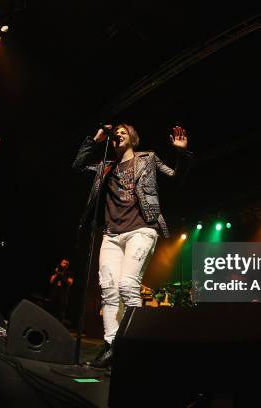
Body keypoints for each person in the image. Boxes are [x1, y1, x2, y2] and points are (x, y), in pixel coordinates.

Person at [73, 123, 191, 369]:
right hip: (111, 234)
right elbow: (78, 166)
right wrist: (96, 139)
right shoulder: (105, 167)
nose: (118, 134)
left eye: (123, 131)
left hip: (142, 229)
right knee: (108, 288)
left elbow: (176, 177)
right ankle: (112, 346)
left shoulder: (147, 158)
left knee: (127, 284)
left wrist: (181, 153)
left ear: (133, 138)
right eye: (116, 133)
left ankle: (137, 344)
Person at [48, 258, 74, 324]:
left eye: (66, 264)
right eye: (63, 263)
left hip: (63, 295)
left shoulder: (69, 273)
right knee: (52, 310)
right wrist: (57, 274)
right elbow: (51, 281)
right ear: (60, 263)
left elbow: (70, 283)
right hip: (54, 294)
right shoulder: (57, 271)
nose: (65, 265)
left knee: (61, 313)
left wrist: (62, 275)